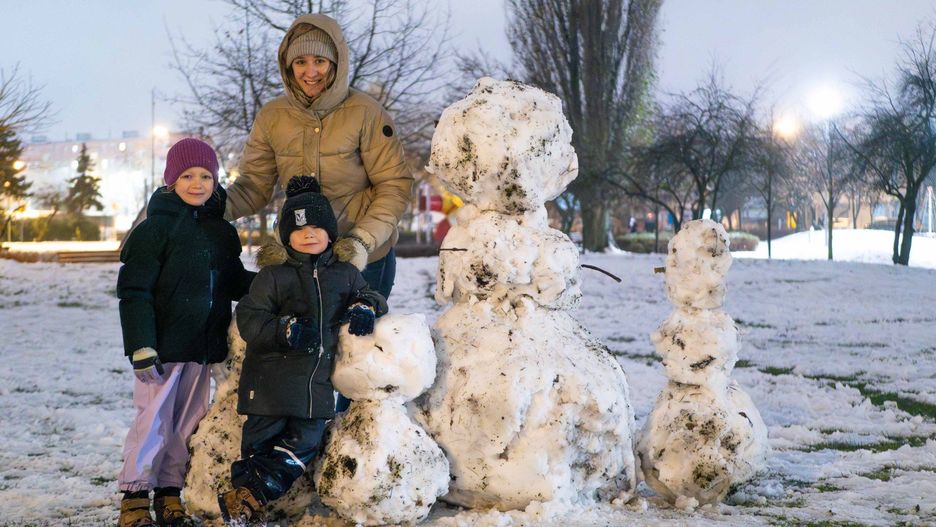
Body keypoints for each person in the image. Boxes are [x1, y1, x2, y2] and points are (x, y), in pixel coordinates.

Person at [218, 176, 388, 526]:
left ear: (330, 232)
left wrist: (364, 307)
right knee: (257, 449)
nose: (309, 234)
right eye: (299, 230)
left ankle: (247, 498)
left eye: (316, 227)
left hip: (315, 390)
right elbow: (250, 318)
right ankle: (247, 509)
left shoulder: (345, 274)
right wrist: (285, 329)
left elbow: (372, 295)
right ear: (286, 236)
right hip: (269, 385)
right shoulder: (273, 277)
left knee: (302, 446)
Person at [225, 12, 413, 301]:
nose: (310, 72)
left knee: (357, 343)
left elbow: (394, 185)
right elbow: (253, 186)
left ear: (336, 63)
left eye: (320, 61)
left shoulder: (367, 113)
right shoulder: (272, 116)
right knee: (301, 342)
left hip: (364, 259)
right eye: (301, 62)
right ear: (289, 67)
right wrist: (204, 208)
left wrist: (361, 241)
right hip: (301, 257)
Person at [116, 138, 255, 527]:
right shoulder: (153, 230)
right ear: (170, 180)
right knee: (152, 423)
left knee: (186, 425)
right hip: (159, 351)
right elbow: (134, 291)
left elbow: (232, 280)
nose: (198, 183)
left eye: (206, 175)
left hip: (202, 349)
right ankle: (135, 497)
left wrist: (274, 285)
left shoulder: (221, 233)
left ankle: (169, 494)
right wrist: (140, 344)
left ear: (216, 179)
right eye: (188, 175)